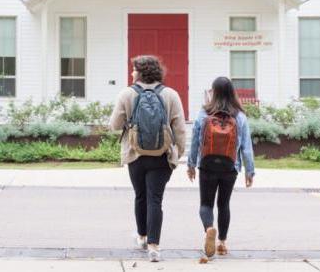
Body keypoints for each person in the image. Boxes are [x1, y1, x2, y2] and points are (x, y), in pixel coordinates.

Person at [109, 55, 186, 262]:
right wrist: (179, 151)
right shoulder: (170, 94)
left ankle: (142, 237)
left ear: (140, 72)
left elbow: (114, 125)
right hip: (162, 155)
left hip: (135, 154)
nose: (132, 73)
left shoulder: (127, 94)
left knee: (140, 196)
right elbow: (179, 127)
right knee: (155, 199)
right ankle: (154, 247)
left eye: (134, 69)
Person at [187, 76, 255, 258]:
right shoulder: (239, 116)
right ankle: (223, 243)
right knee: (224, 204)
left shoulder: (204, 113)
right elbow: (246, 146)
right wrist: (249, 171)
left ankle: (209, 228)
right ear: (232, 92)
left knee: (206, 204)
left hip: (207, 165)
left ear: (214, 92)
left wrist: (191, 163)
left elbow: (195, 141)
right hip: (230, 167)